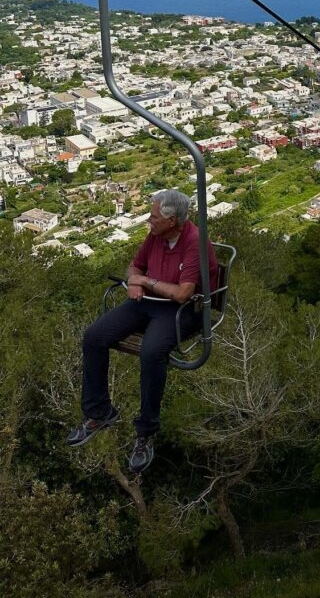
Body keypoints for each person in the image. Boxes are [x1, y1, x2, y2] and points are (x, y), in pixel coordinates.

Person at [66, 189, 218, 474]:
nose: (149, 220)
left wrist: (144, 280)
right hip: (147, 302)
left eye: (155, 216)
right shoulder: (156, 237)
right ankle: (99, 412)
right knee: (94, 337)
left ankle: (146, 432)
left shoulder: (195, 243)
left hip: (179, 312)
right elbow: (135, 265)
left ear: (172, 220)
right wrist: (134, 281)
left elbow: (183, 294)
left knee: (151, 352)